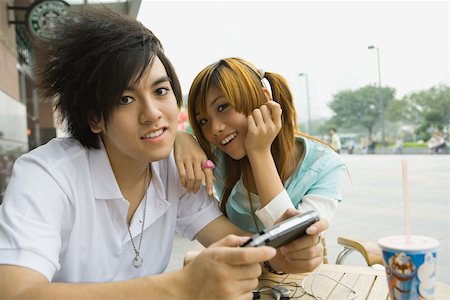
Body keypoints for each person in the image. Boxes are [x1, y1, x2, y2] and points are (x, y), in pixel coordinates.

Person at [0, 10, 324, 300]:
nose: (153, 113)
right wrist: (182, 287)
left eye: (160, 90)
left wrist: (280, 257)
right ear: (94, 117)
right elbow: (16, 292)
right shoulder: (47, 176)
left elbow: (234, 240)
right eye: (125, 99)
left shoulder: (172, 171)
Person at [180, 58, 345, 241]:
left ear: (264, 98)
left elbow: (293, 243)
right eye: (203, 121)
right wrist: (179, 138)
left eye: (222, 107)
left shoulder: (325, 165)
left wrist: (259, 152)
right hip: (237, 267)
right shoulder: (219, 160)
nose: (214, 128)